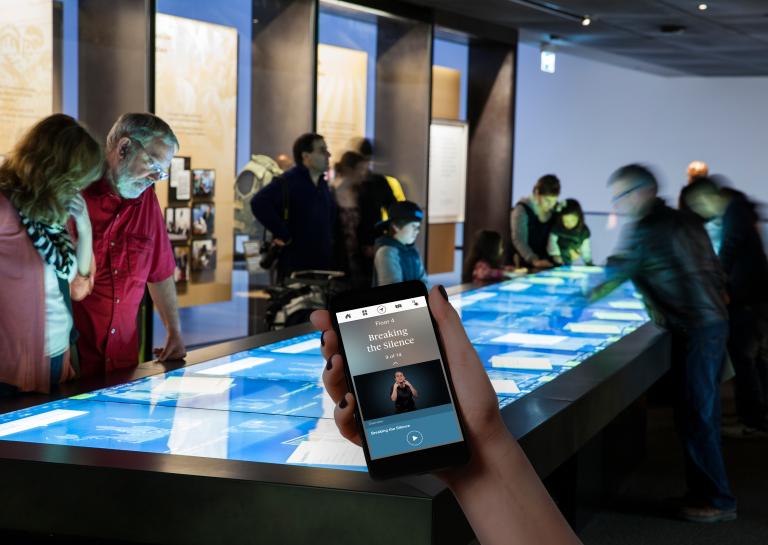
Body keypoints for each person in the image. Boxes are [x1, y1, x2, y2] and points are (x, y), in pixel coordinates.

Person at [310, 286, 582, 545]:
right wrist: (484, 447)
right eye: (398, 374)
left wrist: (484, 442)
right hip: (399, 414)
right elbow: (393, 401)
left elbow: (416, 395)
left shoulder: (410, 382)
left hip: (417, 413)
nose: (401, 376)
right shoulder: (394, 385)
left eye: (401, 374)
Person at [592, 164, 736, 523]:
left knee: (698, 416)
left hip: (697, 328)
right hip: (710, 322)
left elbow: (619, 272)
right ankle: (703, 492)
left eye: (621, 195)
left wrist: (574, 301)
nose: (618, 204)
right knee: (699, 413)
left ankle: (718, 501)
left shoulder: (650, 228)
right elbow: (715, 270)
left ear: (641, 192)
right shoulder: (682, 220)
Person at [72, 113, 186, 377]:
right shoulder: (75, 193)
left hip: (123, 365)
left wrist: (174, 331)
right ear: (124, 148)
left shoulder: (146, 200)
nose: (154, 179)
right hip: (72, 366)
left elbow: (160, 270)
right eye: (153, 165)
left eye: (161, 173)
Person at [0, 114, 102, 393]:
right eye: (76, 178)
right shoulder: (5, 208)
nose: (79, 188)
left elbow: (79, 281)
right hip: (15, 364)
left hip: (59, 352)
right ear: (54, 169)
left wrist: (85, 227)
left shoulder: (51, 215)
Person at [682, 177, 768, 436]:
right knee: (755, 359)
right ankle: (755, 416)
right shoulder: (738, 210)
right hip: (752, 298)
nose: (699, 213)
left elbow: (728, 249)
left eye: (697, 205)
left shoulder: (735, 213)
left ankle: (753, 421)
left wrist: (714, 281)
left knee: (746, 359)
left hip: (747, 300)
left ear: (705, 198)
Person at [251, 133, 335, 282]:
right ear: (306, 157)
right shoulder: (289, 181)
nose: (328, 155)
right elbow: (258, 203)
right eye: (322, 150)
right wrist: (284, 234)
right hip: (295, 268)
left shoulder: (322, 185)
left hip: (322, 268)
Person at [355, 138, 406, 285]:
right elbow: (394, 210)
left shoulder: (376, 182)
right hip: (368, 243)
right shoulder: (377, 182)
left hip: (370, 242)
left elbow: (393, 210)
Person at [331, 151, 369, 289]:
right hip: (338, 257)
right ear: (348, 170)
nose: (363, 174)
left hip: (358, 257)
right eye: (361, 169)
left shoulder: (361, 193)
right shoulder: (331, 193)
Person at [510, 174, 561, 269]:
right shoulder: (522, 210)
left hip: (548, 264)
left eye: (554, 201)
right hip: (524, 265)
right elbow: (519, 239)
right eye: (547, 200)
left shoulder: (555, 210)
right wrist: (534, 260)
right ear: (537, 193)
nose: (551, 205)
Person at [372, 201, 427, 287]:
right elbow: (395, 293)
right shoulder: (386, 252)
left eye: (418, 227)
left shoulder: (413, 250)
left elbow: (424, 282)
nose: (417, 231)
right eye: (413, 226)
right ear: (396, 226)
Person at [547, 199, 593, 266]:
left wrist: (588, 262)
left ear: (579, 218)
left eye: (573, 220)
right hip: (557, 260)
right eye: (566, 221)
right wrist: (556, 255)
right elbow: (552, 243)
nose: (569, 223)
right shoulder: (557, 228)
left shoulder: (583, 231)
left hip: (569, 259)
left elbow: (586, 249)